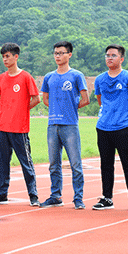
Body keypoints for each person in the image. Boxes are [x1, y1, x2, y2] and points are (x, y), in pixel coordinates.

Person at [92, 44, 128, 211]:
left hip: (123, 127)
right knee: (106, 164)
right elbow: (100, 101)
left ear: (121, 59)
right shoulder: (100, 79)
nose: (109, 58)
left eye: (113, 55)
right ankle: (107, 198)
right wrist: (109, 113)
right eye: (107, 55)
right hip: (103, 127)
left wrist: (126, 112)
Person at [0, 43, 41, 207]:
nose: (5, 59)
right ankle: (1, 194)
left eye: (8, 56)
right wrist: (9, 109)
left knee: (26, 162)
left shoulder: (25, 77)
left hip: (20, 128)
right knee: (3, 162)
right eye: (3, 57)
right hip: (3, 127)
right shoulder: (1, 78)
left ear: (16, 57)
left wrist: (21, 109)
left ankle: (33, 195)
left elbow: (36, 99)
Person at [40, 41, 90, 209]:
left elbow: (85, 99)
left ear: (69, 55)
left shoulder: (76, 75)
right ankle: (55, 196)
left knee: (75, 164)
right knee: (54, 164)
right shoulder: (49, 77)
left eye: (61, 53)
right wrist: (57, 108)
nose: (58, 56)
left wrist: (70, 108)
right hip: (52, 125)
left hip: (70, 125)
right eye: (56, 53)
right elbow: (45, 99)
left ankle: (78, 198)